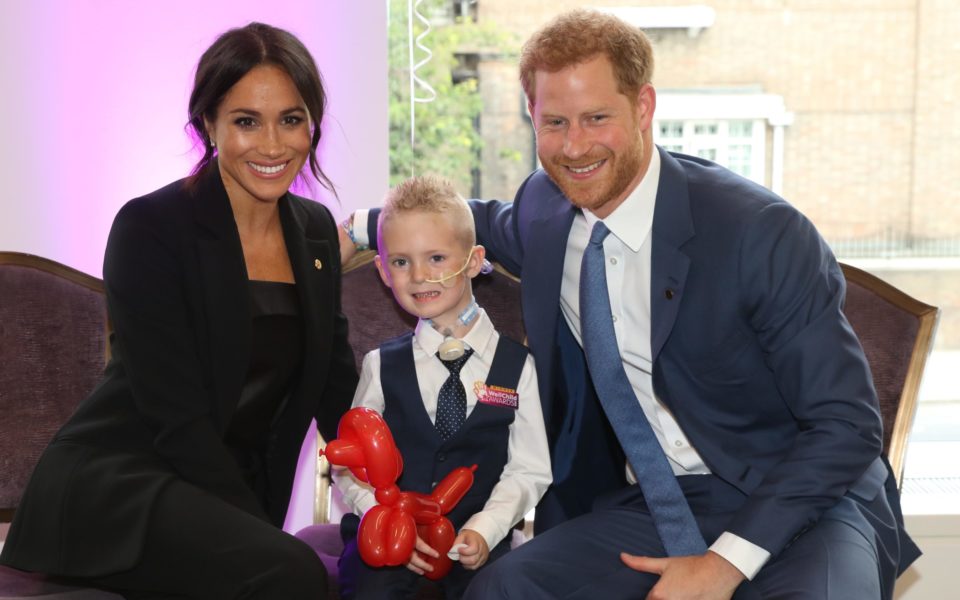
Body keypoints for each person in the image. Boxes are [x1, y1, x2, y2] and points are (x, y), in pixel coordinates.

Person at [340, 9, 919, 600]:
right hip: (655, 501)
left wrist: (722, 567)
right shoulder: (546, 209)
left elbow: (845, 426)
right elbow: (472, 224)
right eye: (554, 122)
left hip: (801, 499)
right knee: (504, 590)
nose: (574, 146)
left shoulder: (761, 233)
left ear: (644, 107)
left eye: (597, 118)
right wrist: (358, 226)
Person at [0, 23, 357, 599]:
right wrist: (260, 535)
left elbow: (336, 387)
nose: (272, 144)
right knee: (293, 574)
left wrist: (408, 485)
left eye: (291, 119)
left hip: (216, 499)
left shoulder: (315, 233)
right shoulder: (152, 227)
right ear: (208, 126)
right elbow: (176, 416)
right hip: (120, 486)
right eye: (246, 121)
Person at [333, 175, 551, 600]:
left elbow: (530, 468)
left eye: (435, 257)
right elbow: (350, 463)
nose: (418, 276)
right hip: (386, 540)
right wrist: (378, 515)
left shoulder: (518, 367)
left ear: (472, 261)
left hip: (476, 544)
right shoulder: (381, 365)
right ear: (382, 270)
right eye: (400, 262)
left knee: (502, 591)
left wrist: (485, 530)